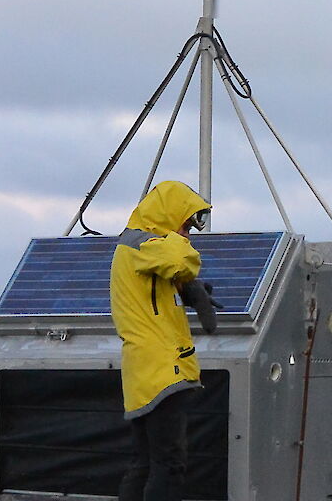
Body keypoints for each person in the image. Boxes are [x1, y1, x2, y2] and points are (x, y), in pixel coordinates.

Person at [110, 180, 212, 501]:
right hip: (162, 371)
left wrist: (190, 291)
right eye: (187, 224)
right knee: (169, 464)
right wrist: (177, 238)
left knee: (144, 462)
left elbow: (168, 281)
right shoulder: (144, 244)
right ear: (170, 215)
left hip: (145, 370)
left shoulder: (139, 250)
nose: (189, 234)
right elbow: (184, 261)